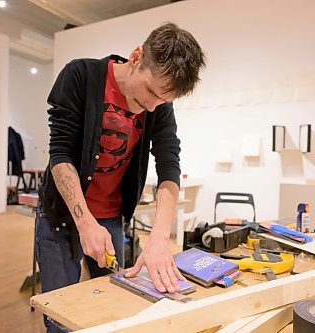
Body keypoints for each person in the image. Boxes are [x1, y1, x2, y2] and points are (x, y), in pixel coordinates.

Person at [35, 22, 205, 332]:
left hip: (112, 219)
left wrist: (159, 239)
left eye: (162, 102)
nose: (151, 107)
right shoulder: (80, 76)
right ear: (136, 56)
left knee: (113, 311)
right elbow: (59, 156)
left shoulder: (157, 105)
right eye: (150, 93)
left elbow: (169, 165)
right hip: (61, 217)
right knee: (60, 317)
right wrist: (85, 222)